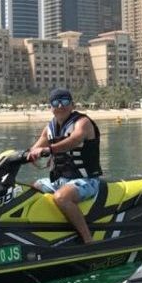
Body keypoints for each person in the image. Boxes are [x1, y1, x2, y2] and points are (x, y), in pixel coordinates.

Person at [27, 88, 103, 243]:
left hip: (86, 181)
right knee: (28, 190)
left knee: (62, 197)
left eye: (65, 102)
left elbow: (74, 140)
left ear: (72, 104)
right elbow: (34, 149)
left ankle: (88, 239)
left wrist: (49, 149)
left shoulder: (83, 122)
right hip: (59, 181)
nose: (60, 106)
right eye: (56, 102)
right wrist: (17, 156)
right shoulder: (50, 128)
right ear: (51, 107)